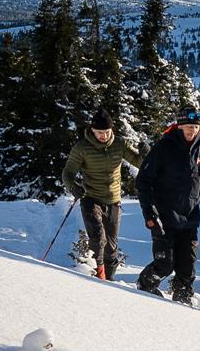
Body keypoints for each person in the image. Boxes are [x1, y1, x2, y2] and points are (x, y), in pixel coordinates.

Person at [136, 107, 200, 303]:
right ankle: (144, 287)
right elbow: (143, 181)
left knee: (186, 271)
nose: (192, 131)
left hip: (189, 220)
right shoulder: (163, 148)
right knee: (164, 264)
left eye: (196, 127)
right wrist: (149, 213)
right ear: (180, 126)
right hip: (163, 218)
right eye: (188, 127)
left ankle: (182, 306)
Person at [60, 109, 144, 280]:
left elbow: (139, 162)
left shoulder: (120, 144)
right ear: (92, 130)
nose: (104, 136)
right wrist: (72, 186)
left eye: (107, 132)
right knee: (99, 238)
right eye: (100, 133)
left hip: (113, 200)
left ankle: (109, 282)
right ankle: (99, 275)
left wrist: (146, 154)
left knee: (111, 248)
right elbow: (67, 172)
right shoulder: (82, 148)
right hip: (91, 198)